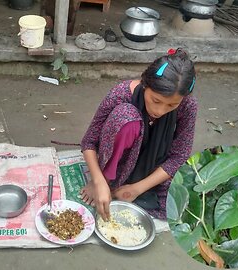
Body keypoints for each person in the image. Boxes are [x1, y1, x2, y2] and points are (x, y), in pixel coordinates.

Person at [80, 48, 197, 220]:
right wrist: (98, 182)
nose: (160, 111)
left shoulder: (187, 105)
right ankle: (108, 180)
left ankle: (130, 185)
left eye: (171, 105)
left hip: (151, 165)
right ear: (145, 83)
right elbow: (89, 141)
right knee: (125, 117)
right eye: (156, 100)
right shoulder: (121, 94)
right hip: (118, 160)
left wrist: (137, 189)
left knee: (178, 207)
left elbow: (179, 155)